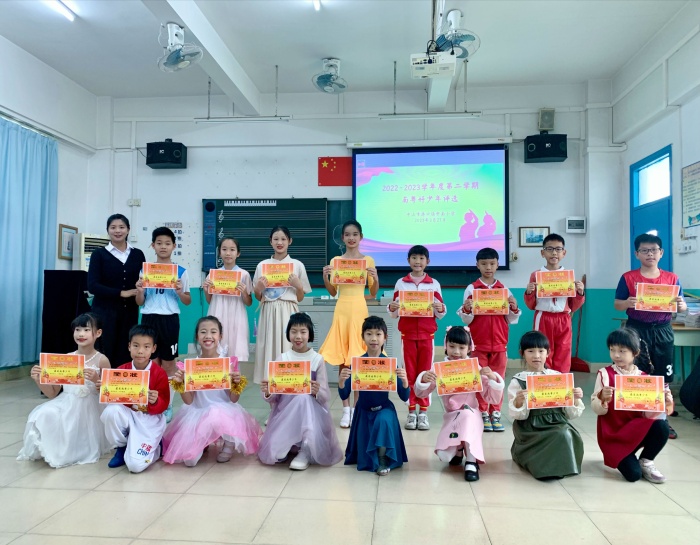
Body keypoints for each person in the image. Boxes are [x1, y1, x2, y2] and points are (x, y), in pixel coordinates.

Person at [613, 233, 686, 439]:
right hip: (637, 329)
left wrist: (681, 305)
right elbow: (617, 304)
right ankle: (635, 420)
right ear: (637, 254)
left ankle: (662, 420)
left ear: (661, 253)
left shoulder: (671, 278)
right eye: (644, 250)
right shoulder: (628, 278)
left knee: (662, 377)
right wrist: (627, 302)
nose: (650, 254)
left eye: (654, 250)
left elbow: (681, 307)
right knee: (636, 373)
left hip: (663, 330)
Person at [163, 316, 262, 466]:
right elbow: (189, 401)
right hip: (198, 411)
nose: (208, 336)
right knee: (189, 461)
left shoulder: (228, 363)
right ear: (197, 336)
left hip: (224, 411)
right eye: (203, 332)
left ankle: (228, 443)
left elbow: (233, 399)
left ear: (220, 336)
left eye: (213, 332)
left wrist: (236, 383)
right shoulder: (191, 365)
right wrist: (181, 384)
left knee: (216, 414)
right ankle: (203, 442)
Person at [17, 313, 111, 468]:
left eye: (86, 330)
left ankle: (71, 450)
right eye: (77, 330)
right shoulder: (67, 359)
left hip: (90, 406)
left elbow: (108, 394)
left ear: (98, 333)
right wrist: (38, 379)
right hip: (66, 401)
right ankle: (52, 448)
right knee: (44, 413)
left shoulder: (102, 360)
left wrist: (96, 380)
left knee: (75, 425)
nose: (81, 334)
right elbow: (52, 393)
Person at [415, 326, 504, 481]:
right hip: (452, 416)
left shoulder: (475, 368)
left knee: (467, 416)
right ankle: (458, 447)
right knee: (444, 456)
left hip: (472, 414)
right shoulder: (439, 369)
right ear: (445, 346)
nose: (456, 352)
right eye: (452, 346)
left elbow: (492, 398)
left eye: (462, 348)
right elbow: (421, 393)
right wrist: (424, 379)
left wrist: (492, 378)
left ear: (469, 348)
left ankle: (471, 460)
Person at [258, 313, 343, 470]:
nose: (298, 336)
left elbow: (325, 396)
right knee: (275, 453)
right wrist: (268, 391)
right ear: (288, 334)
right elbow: (274, 397)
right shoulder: (282, 359)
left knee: (303, 398)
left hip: (312, 412)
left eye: (303, 332)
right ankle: (287, 443)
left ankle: (305, 449)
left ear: (309, 334)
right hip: (285, 412)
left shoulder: (317, 359)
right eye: (294, 331)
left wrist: (317, 391)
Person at [592, 328, 673, 483]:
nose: (616, 355)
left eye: (622, 351)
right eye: (612, 350)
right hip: (613, 436)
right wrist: (602, 398)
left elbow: (648, 416)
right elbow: (597, 410)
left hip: (635, 431)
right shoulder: (605, 374)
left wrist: (663, 402)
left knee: (662, 426)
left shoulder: (644, 378)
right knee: (633, 475)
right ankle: (626, 457)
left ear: (635, 353)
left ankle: (646, 460)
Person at [319, 220, 379, 428]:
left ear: (361, 237)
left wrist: (375, 278)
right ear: (342, 238)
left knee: (359, 360)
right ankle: (346, 410)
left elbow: (373, 292)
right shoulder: (336, 261)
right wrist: (326, 277)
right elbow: (333, 291)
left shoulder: (368, 260)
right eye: (347, 234)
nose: (351, 238)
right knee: (343, 361)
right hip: (342, 310)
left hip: (360, 310)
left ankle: (357, 408)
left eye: (355, 234)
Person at [458, 247, 521, 432]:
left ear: (498, 265)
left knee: (497, 379)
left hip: (500, 344)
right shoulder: (472, 289)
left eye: (492, 263)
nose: (488, 267)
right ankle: (482, 412)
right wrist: (467, 308)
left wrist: (514, 307)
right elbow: (466, 319)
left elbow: (511, 318)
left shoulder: (504, 289)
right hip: (478, 343)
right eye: (484, 264)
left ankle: (496, 412)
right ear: (477, 265)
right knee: (481, 379)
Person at [508, 331, 585, 480]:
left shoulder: (557, 377)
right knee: (559, 433)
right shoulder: (518, 380)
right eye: (531, 351)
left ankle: (559, 465)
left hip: (557, 421)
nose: (536, 356)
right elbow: (517, 415)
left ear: (548, 353)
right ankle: (542, 467)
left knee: (566, 433)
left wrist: (575, 398)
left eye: (541, 351)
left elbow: (570, 414)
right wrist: (518, 401)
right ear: (522, 353)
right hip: (530, 425)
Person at [339, 316, 409, 476]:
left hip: (384, 408)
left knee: (383, 419)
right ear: (362, 337)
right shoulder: (357, 363)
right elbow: (344, 393)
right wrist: (342, 381)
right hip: (363, 411)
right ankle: (375, 453)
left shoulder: (390, 364)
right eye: (369, 334)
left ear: (385, 337)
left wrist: (405, 382)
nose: (374, 339)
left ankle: (383, 458)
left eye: (378, 334)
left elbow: (404, 396)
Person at [135, 226, 191, 423]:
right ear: (153, 245)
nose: (163, 247)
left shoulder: (181, 272)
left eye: (167, 243)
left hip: (169, 319)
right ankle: (151, 401)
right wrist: (140, 290)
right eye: (159, 243)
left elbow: (187, 301)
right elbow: (140, 302)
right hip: (149, 318)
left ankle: (167, 404)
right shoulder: (145, 270)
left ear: (174, 246)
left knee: (168, 364)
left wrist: (179, 291)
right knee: (150, 363)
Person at [387, 245, 445, 431]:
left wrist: (440, 308)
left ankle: (423, 412)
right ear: (408, 260)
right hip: (407, 335)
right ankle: (411, 411)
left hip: (428, 335)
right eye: (414, 258)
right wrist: (392, 308)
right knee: (410, 373)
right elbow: (394, 311)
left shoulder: (434, 284)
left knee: (426, 373)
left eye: (421, 258)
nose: (417, 262)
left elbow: (441, 312)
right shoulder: (401, 283)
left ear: (428, 261)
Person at [100, 324, 170, 473]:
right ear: (129, 346)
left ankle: (157, 448)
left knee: (135, 466)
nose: (140, 351)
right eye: (136, 345)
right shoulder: (121, 370)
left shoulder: (159, 373)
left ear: (153, 348)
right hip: (128, 414)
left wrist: (155, 401)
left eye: (146, 347)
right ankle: (122, 446)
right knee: (111, 412)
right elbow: (114, 400)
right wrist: (105, 389)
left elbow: (164, 405)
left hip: (149, 419)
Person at [253, 226, 311, 384]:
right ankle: (269, 389)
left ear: (290, 241)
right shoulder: (262, 266)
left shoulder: (297, 265)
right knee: (269, 349)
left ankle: (290, 385)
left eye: (283, 239)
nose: (280, 242)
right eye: (276, 239)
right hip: (268, 311)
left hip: (288, 311)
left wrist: (298, 286)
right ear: (270, 241)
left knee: (288, 346)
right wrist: (258, 289)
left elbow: (300, 298)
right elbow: (258, 297)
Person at [88, 213, 146, 367]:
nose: (117, 231)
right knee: (105, 348)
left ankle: (122, 381)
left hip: (129, 312)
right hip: (104, 312)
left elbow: (143, 280)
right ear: (108, 230)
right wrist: (121, 293)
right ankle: (103, 381)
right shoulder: (98, 254)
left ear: (128, 230)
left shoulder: (138, 254)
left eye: (121, 227)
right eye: (113, 227)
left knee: (126, 349)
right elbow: (92, 285)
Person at [523, 233, 585, 373]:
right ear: (543, 252)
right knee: (542, 351)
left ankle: (561, 382)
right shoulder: (536, 275)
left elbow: (573, 305)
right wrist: (529, 292)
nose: (554, 253)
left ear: (564, 252)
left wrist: (580, 292)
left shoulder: (568, 276)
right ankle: (542, 381)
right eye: (549, 249)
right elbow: (530, 305)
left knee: (564, 351)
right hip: (543, 317)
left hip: (563, 318)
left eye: (558, 249)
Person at [203, 237, 253, 362]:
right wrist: (206, 289)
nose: (228, 253)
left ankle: (235, 374)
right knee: (217, 349)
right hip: (218, 313)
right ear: (219, 252)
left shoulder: (244, 275)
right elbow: (210, 301)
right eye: (224, 249)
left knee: (236, 348)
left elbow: (249, 302)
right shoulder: (213, 275)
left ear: (238, 253)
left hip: (237, 315)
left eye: (232, 250)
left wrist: (244, 293)